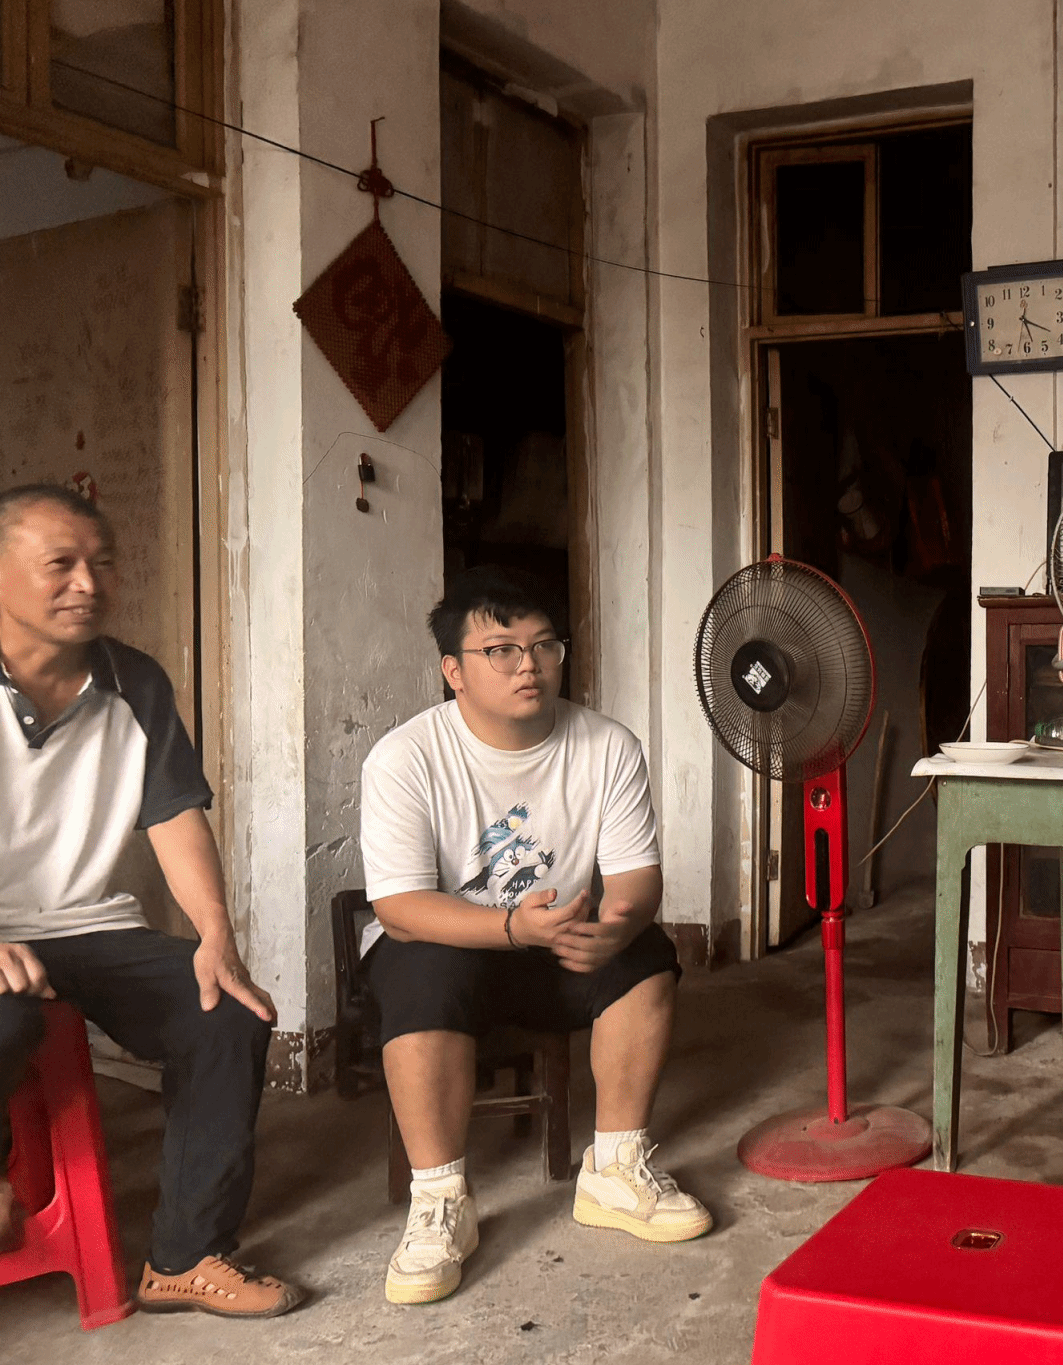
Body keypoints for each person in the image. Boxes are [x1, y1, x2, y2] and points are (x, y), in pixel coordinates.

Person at [359, 565, 707, 1307]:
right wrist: (512, 926)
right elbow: (398, 907)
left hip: (559, 944)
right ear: (453, 671)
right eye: (502, 650)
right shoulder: (405, 758)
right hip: (457, 953)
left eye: (545, 645)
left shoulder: (608, 746)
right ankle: (440, 1202)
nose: (529, 665)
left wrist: (617, 926)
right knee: (419, 968)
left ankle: (614, 1170)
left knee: (646, 952)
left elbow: (637, 879)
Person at [0, 483, 297, 1318]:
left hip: (86, 924)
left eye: (102, 564)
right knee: (7, 1023)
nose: (87, 584)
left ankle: (186, 1256)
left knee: (227, 1012)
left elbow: (173, 815)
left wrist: (215, 936)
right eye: (60, 564)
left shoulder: (134, 680)